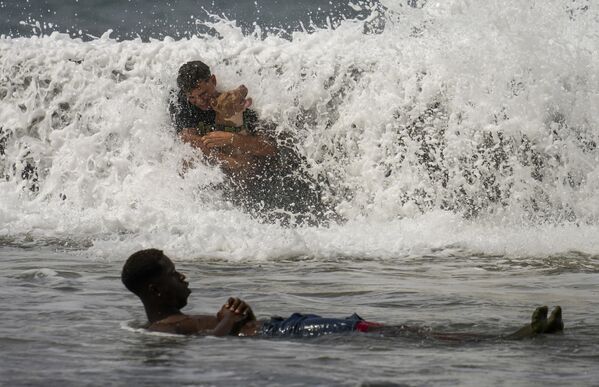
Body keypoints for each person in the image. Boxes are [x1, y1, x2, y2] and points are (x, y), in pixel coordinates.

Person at [122, 249, 565, 339]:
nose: (186, 278)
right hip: (284, 334)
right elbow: (216, 341)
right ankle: (515, 339)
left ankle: (514, 336)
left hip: (281, 328)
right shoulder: (169, 327)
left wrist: (239, 316)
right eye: (176, 274)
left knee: (389, 330)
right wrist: (228, 321)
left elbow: (223, 331)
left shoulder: (170, 322)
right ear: (157, 287)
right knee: (386, 330)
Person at [169, 61, 335, 226]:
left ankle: (246, 217)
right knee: (187, 161)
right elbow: (189, 140)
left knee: (247, 164)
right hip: (215, 159)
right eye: (193, 97)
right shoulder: (182, 102)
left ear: (213, 80)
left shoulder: (236, 105)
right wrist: (226, 159)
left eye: (204, 94)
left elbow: (269, 148)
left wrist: (232, 139)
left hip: (247, 167)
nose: (200, 101)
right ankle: (191, 216)